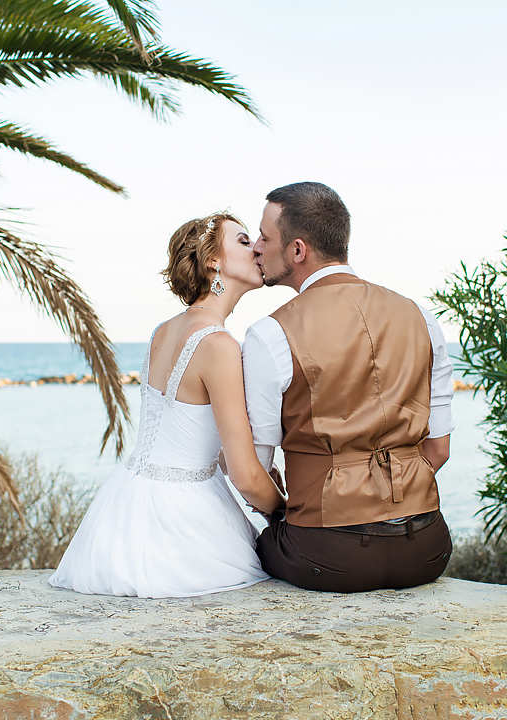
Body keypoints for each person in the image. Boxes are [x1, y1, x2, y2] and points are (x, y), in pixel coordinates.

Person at [48, 213, 283, 598]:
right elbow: (243, 476)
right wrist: (285, 511)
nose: (256, 247)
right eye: (243, 241)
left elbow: (197, 435)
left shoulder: (163, 331)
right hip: (183, 524)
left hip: (124, 508)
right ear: (213, 260)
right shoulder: (219, 345)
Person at [244, 181, 455, 593]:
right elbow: (439, 449)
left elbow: (256, 469)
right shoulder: (420, 316)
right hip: (427, 550)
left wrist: (295, 514)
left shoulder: (270, 333)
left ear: (298, 250)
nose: (256, 247)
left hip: (326, 556)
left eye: (265, 237)